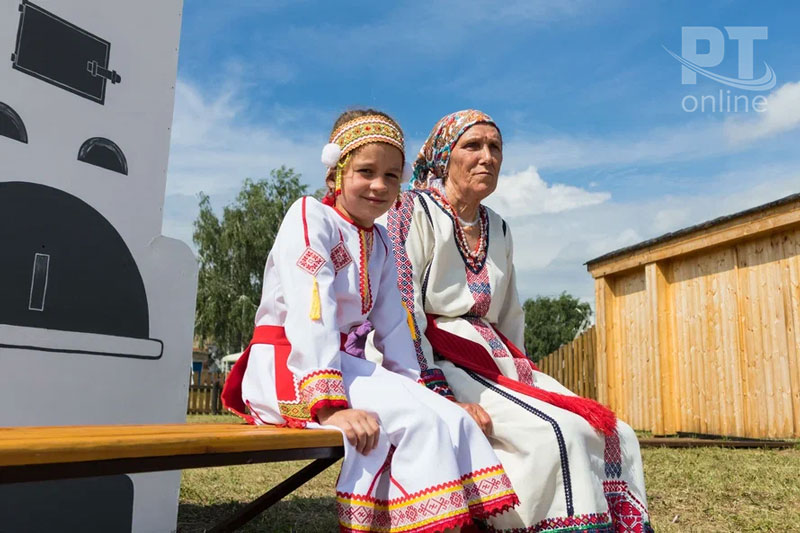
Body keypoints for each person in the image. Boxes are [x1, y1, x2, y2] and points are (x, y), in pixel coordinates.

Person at [221, 110, 519, 533]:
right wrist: (330, 407)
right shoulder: (310, 217)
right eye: (366, 171)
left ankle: (444, 524)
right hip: (292, 367)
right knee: (413, 421)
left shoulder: (379, 240)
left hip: (345, 366)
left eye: (392, 176)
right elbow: (313, 309)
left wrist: (423, 389)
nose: (379, 186)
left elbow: (396, 324)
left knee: (450, 418)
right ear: (335, 174)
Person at [384, 110, 653, 532]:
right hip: (439, 361)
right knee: (554, 434)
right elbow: (403, 306)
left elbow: (509, 313)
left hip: (498, 361)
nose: (487, 157)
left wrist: (523, 379)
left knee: (615, 431)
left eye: (495, 147)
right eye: (472, 146)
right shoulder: (411, 210)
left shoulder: (499, 228)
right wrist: (434, 389)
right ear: (443, 156)